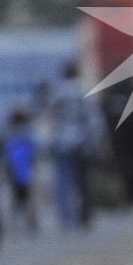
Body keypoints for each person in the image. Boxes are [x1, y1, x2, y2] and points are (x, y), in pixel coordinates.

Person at [47, 61, 105, 228]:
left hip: (61, 140)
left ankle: (66, 216)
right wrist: (96, 140)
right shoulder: (83, 89)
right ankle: (84, 214)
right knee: (82, 181)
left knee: (63, 180)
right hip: (80, 140)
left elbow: (49, 117)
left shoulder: (56, 92)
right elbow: (94, 119)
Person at [1, 107, 39, 233]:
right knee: (28, 200)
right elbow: (34, 153)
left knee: (16, 200)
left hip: (16, 173)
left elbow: (6, 156)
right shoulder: (28, 135)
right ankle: (30, 223)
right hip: (26, 173)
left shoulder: (11, 135)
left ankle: (16, 224)